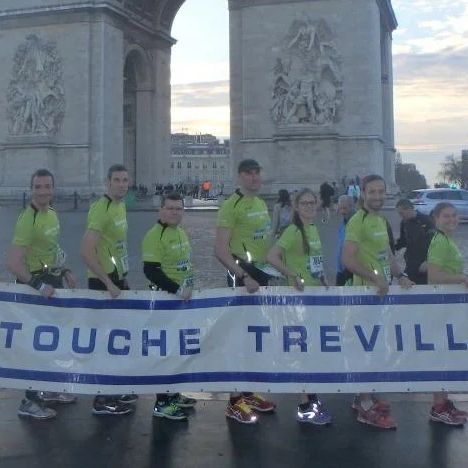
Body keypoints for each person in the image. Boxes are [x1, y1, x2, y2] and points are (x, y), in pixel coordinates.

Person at [341, 173, 413, 429]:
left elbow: (388, 257)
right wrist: (374, 279)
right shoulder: (357, 221)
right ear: (362, 193)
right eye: (372, 192)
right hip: (365, 294)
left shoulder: (381, 221)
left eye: (381, 191)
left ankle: (365, 394)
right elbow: (347, 260)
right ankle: (364, 404)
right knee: (365, 347)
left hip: (381, 293)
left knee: (375, 346)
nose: (378, 196)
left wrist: (401, 275)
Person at [6, 168, 78, 420]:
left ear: (52, 189)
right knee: (35, 344)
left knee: (50, 339)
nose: (43, 192)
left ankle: (47, 390)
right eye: (38, 187)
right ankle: (29, 399)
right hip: (34, 284)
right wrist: (37, 285)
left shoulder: (53, 215)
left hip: (52, 280)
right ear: (31, 189)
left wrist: (66, 270)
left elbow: (53, 250)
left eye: (47, 186)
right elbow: (13, 262)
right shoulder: (28, 219)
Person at [213, 158, 277, 424]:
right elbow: (219, 249)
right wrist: (243, 275)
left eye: (257, 172)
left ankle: (249, 393)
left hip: (262, 275)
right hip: (242, 275)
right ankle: (234, 400)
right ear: (239, 177)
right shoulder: (231, 205)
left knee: (254, 335)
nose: (254, 177)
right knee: (238, 337)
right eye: (249, 174)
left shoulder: (261, 203)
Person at [266, 188, 332, 426]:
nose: (309, 207)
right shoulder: (293, 230)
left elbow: (315, 260)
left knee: (310, 350)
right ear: (295, 206)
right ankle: (304, 405)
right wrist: (293, 275)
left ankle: (311, 398)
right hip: (297, 299)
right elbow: (272, 256)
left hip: (313, 296)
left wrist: (322, 277)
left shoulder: (312, 228)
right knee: (301, 352)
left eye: (312, 203)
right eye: (304, 203)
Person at [80, 164, 136, 416]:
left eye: (125, 180)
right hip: (102, 282)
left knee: (117, 338)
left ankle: (115, 388)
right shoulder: (100, 209)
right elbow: (86, 251)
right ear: (108, 182)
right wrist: (108, 282)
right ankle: (101, 399)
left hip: (116, 278)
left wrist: (122, 278)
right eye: (117, 180)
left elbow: (117, 245)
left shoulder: (120, 205)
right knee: (105, 341)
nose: (122, 184)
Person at [141, 193, 198, 421]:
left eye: (178, 208)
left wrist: (192, 285)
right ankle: (162, 402)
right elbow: (151, 271)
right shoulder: (155, 235)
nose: (175, 212)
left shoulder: (180, 232)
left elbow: (185, 265)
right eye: (170, 208)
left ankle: (173, 394)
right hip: (164, 300)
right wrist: (176, 290)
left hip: (180, 299)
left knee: (175, 350)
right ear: (160, 210)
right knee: (164, 351)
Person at [425, 201, 468, 426]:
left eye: (454, 215)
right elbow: (435, 275)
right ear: (436, 219)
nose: (451, 219)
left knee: (446, 357)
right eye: (446, 216)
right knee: (441, 357)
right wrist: (461, 278)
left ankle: (443, 402)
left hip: (448, 306)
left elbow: (451, 271)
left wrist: (467, 277)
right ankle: (438, 406)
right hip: (440, 306)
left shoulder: (447, 240)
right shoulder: (440, 242)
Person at [394, 198, 434, 285]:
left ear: (409, 209)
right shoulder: (404, 223)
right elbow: (403, 241)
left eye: (401, 213)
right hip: (411, 263)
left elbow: (436, 243)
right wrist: (392, 246)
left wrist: (429, 261)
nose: (401, 216)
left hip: (425, 263)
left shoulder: (426, 221)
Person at [334, 194, 357, 286]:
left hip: (351, 272)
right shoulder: (342, 222)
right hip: (341, 271)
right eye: (340, 208)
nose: (342, 211)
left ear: (352, 206)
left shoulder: (357, 223)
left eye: (345, 208)